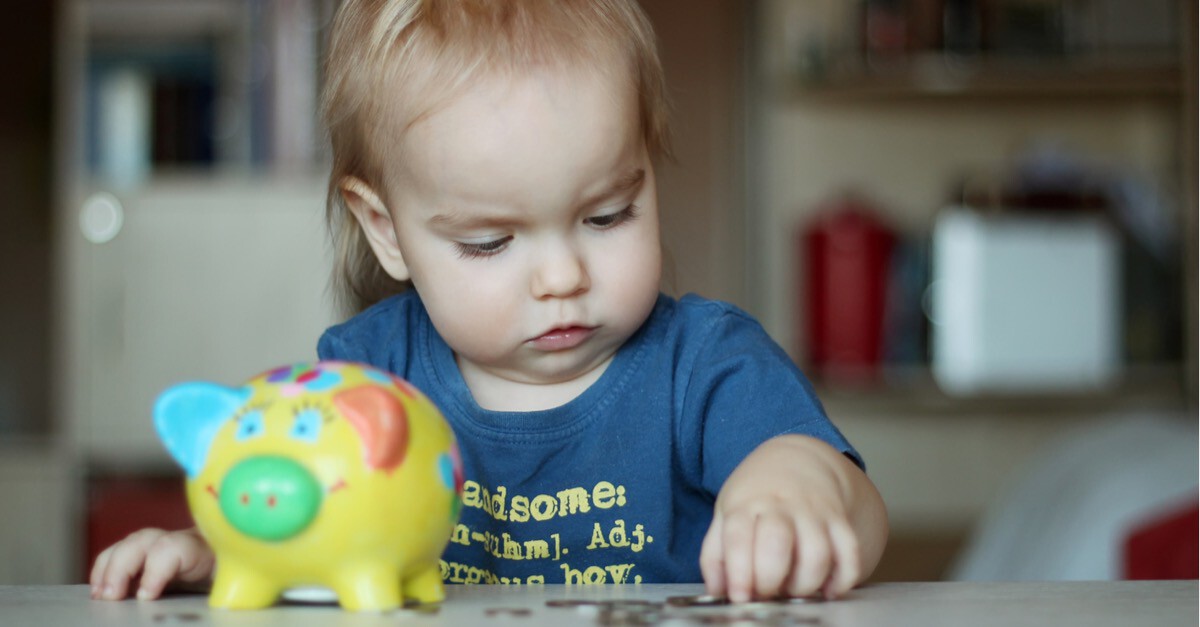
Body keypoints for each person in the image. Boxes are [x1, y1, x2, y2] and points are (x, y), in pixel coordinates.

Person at [90, 0, 887, 604]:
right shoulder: (371, 375)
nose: (560, 277)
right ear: (387, 230)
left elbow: (854, 502)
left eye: (607, 215)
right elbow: (307, 519)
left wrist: (793, 494)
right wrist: (218, 552)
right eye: (489, 242)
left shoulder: (706, 363)